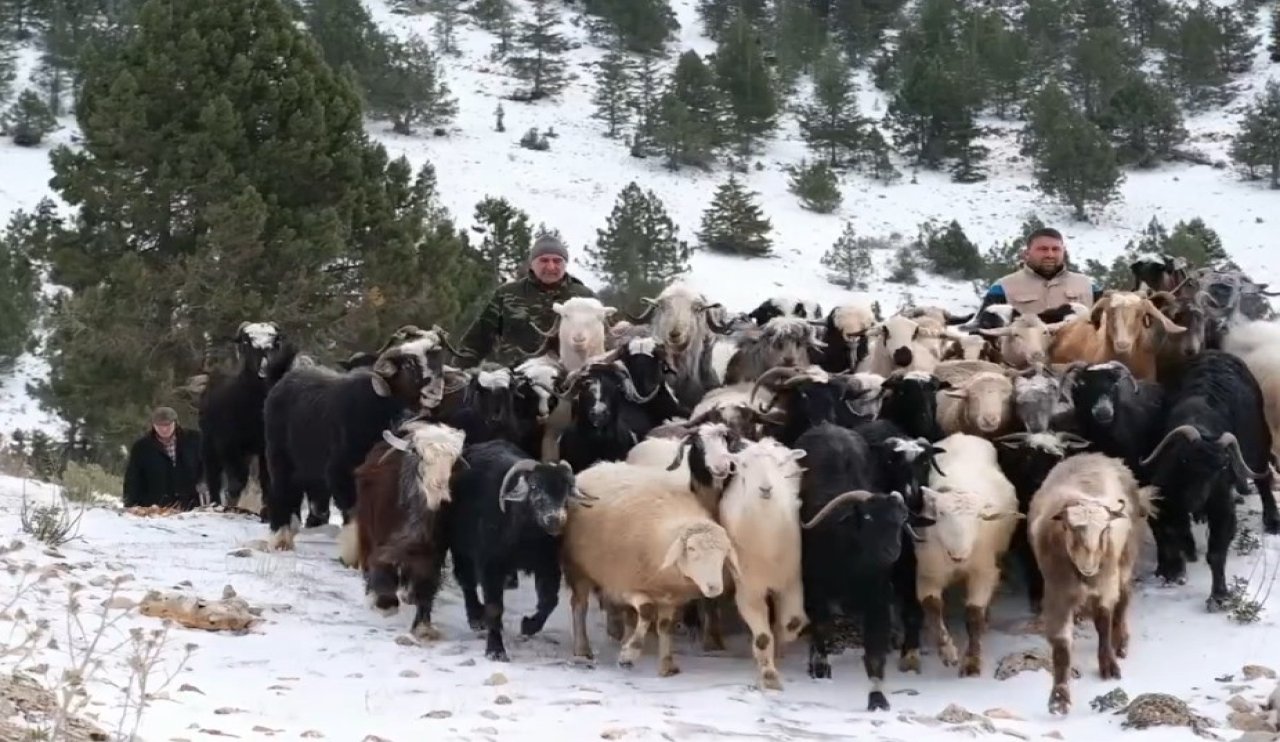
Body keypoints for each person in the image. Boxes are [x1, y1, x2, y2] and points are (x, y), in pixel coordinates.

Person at [458, 233, 599, 367]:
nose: (551, 267)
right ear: (532, 263)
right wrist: (460, 374)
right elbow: (475, 342)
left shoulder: (585, 297)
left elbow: (609, 342)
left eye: (557, 261)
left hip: (571, 381)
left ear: (565, 264)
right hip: (516, 381)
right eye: (544, 260)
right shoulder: (507, 295)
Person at [979, 227, 1104, 317]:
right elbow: (984, 330)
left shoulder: (1089, 286)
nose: (1050, 254)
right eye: (1043, 249)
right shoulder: (1002, 288)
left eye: (1055, 249)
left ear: (1063, 252)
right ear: (1027, 253)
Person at [122, 406, 205, 510]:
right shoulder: (142, 447)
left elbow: (209, 465)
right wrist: (130, 504)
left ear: (175, 423)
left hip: (192, 506)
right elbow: (133, 478)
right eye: (160, 425)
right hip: (155, 508)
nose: (164, 429)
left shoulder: (195, 440)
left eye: (168, 425)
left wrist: (204, 483)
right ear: (153, 425)